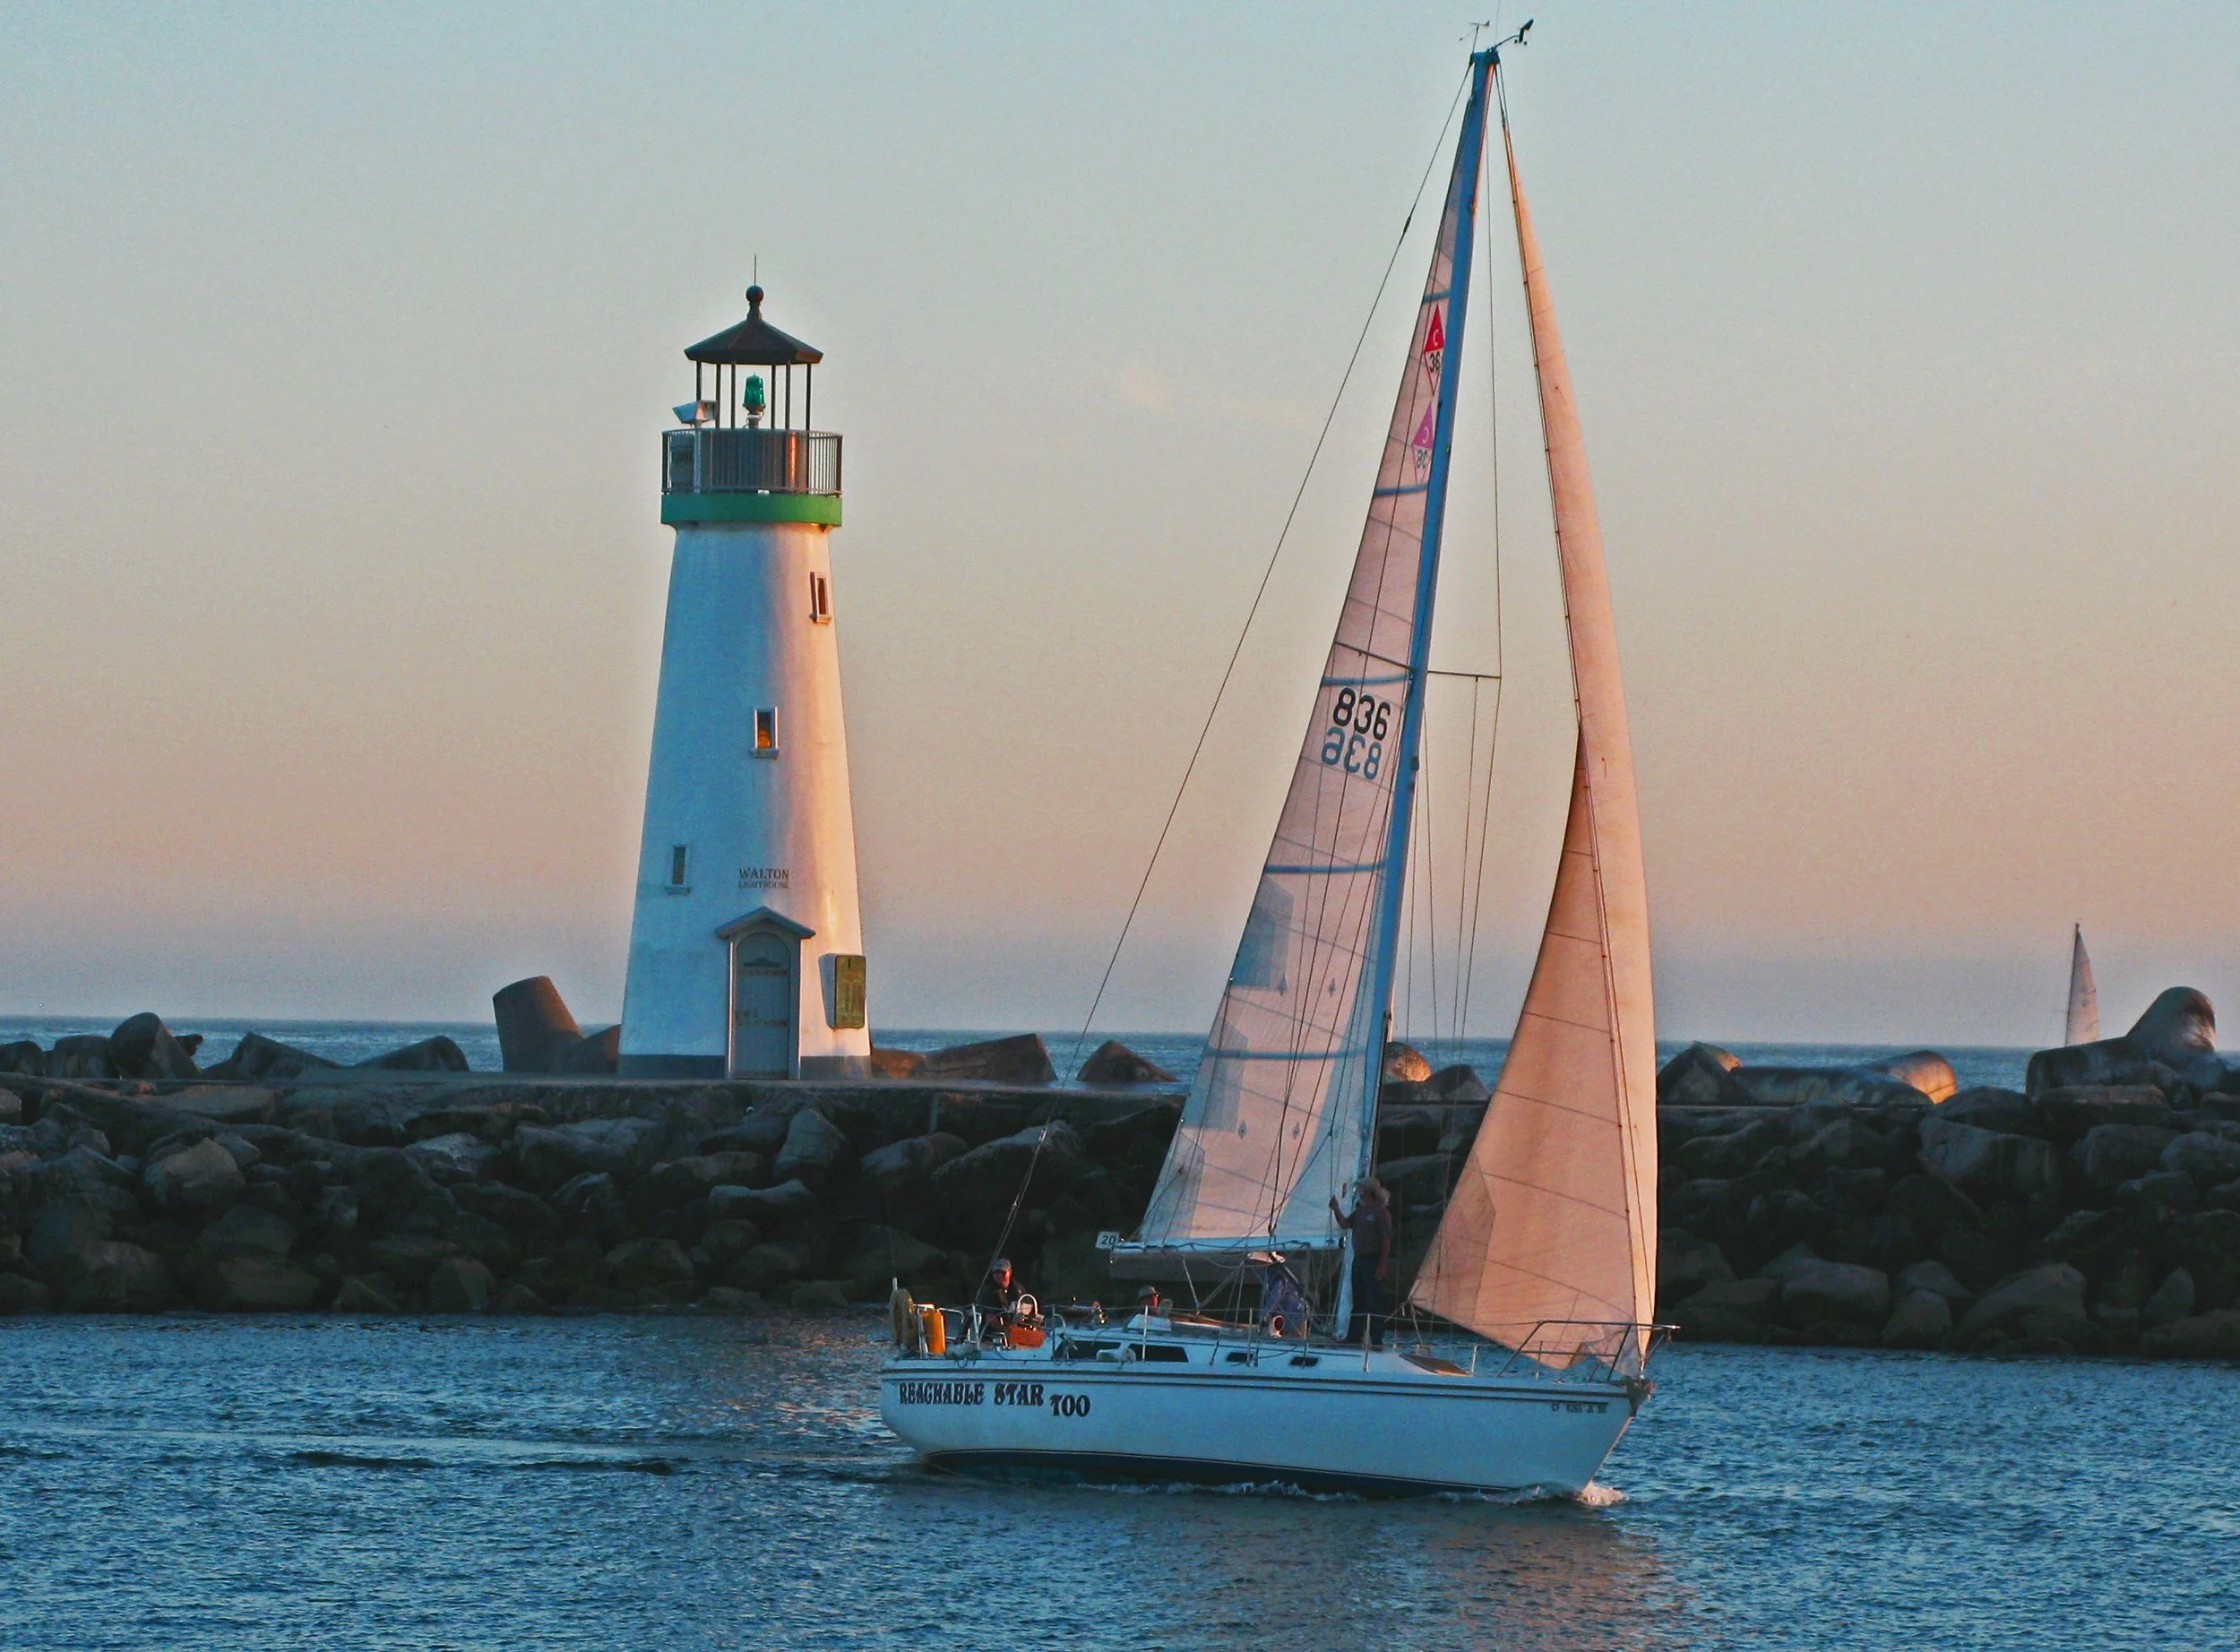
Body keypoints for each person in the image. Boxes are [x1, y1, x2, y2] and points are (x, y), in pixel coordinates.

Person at [1329, 1179, 1393, 1348]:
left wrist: (1383, 1263)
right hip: (1359, 1259)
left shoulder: (1381, 1213)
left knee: (1374, 1301)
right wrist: (1335, 1209)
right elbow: (1345, 1224)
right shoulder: (1360, 1211)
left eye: (1362, 1189)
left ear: (1370, 1192)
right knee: (1358, 1299)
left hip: (1373, 1259)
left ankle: (1377, 1340)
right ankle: (1354, 1337)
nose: (1359, 1192)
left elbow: (1386, 1239)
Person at [1255, 1254, 1309, 1338]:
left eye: (1258, 1261)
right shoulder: (1269, 1272)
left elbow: (1276, 1295)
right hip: (1283, 1311)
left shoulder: (1279, 1275)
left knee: (1297, 1339)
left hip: (1294, 1311)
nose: (1256, 1263)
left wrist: (1263, 1314)